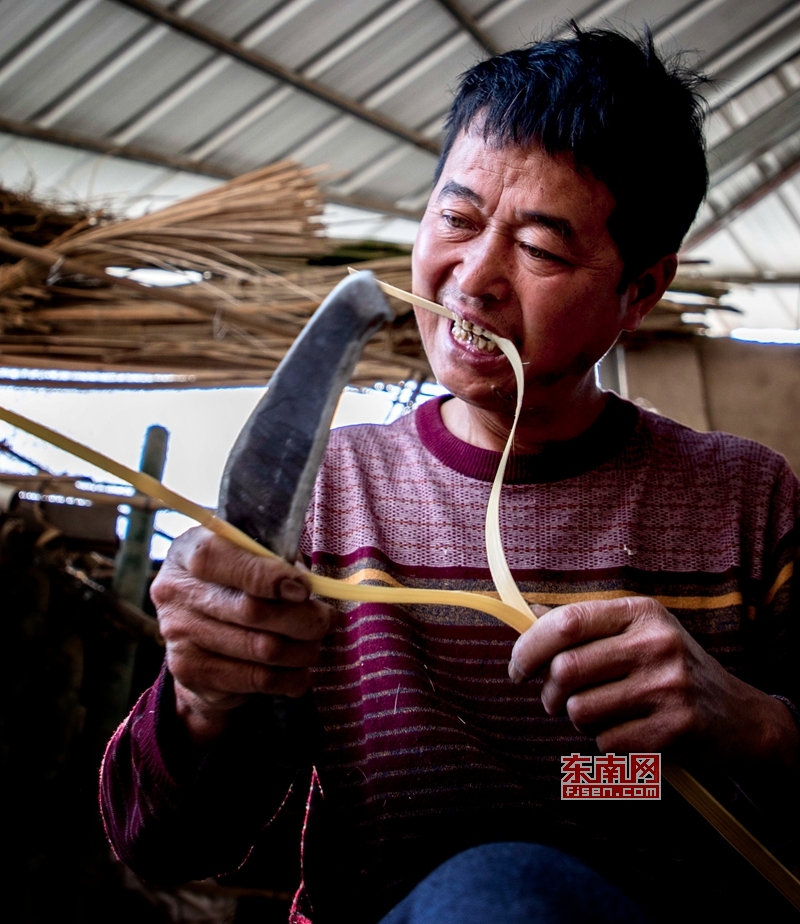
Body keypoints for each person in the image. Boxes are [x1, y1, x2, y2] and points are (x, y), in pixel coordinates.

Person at [100, 26, 800, 924]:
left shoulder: (746, 507)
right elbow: (163, 845)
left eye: (542, 251)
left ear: (642, 290)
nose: (473, 279)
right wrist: (199, 702)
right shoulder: (326, 501)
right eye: (457, 219)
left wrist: (758, 727)